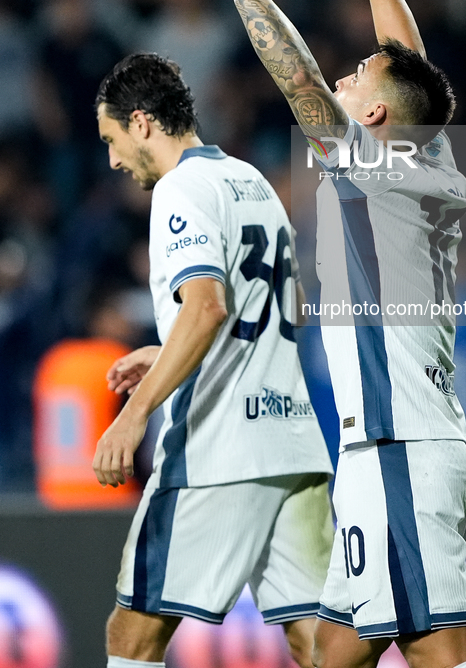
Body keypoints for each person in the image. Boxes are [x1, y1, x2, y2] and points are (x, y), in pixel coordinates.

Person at [198, 0, 466, 668]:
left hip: (398, 449)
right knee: (331, 653)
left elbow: (300, 85)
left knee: (440, 652)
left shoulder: (377, 167)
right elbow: (406, 63)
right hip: (383, 451)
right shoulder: (423, 157)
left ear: (373, 116)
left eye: (358, 79)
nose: (348, 73)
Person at [93, 53, 334, 668]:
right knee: (317, 645)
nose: (113, 160)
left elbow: (206, 306)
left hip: (217, 451)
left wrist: (134, 414)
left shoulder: (179, 189)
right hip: (295, 447)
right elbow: (289, 304)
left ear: (141, 121)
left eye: (112, 139)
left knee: (133, 637)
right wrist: (168, 343)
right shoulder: (251, 180)